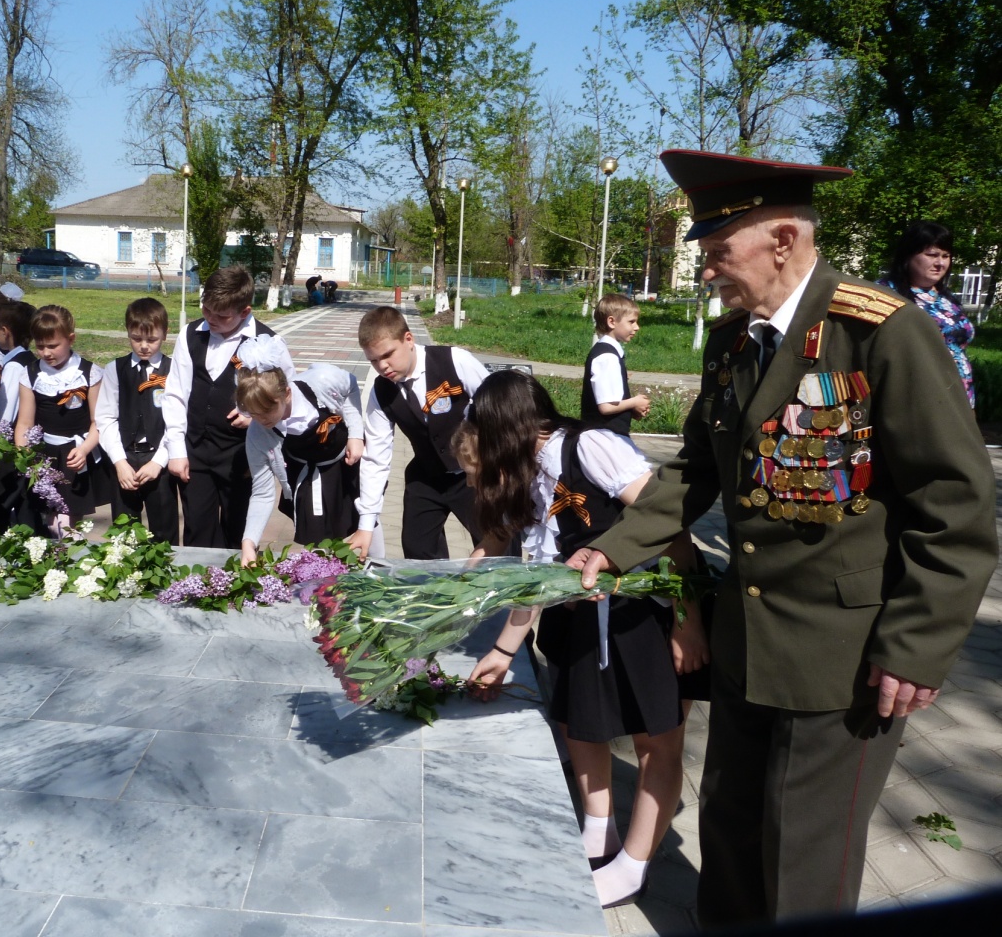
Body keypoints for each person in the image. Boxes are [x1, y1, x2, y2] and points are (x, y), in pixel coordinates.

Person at [569, 149, 997, 926]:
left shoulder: (881, 335)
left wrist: (916, 642)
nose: (707, 269)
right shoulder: (734, 343)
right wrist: (616, 545)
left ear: (780, 238)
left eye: (716, 249)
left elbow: (957, 504)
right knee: (729, 830)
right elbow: (697, 468)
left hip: (846, 660)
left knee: (804, 856)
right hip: (747, 640)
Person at [459, 371, 707, 910]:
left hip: (645, 612)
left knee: (654, 741)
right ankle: (600, 830)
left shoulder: (590, 446)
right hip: (579, 616)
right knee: (578, 724)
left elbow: (669, 524)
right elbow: (539, 574)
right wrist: (502, 652)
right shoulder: (529, 478)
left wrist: (689, 620)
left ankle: (635, 866)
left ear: (509, 428)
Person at [348, 305, 488, 560]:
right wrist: (366, 524)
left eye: (388, 354)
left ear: (408, 339)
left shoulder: (454, 361)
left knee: (495, 544)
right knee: (417, 549)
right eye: (373, 360)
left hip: (477, 474)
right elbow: (376, 457)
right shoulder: (381, 392)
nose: (382, 366)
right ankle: (436, 597)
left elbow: (499, 409)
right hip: (427, 476)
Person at [162, 266, 281, 548]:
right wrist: (176, 450)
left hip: (242, 455)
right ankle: (197, 587)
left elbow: (285, 399)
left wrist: (256, 416)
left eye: (221, 315)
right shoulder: (190, 335)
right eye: (206, 310)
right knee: (197, 530)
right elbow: (175, 392)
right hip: (196, 452)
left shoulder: (268, 342)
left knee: (239, 530)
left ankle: (236, 588)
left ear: (244, 311)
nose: (211, 319)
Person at [234, 333, 364, 565]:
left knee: (363, 538)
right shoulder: (258, 433)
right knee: (318, 557)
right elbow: (263, 492)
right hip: (306, 479)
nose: (261, 420)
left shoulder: (322, 381)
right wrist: (248, 542)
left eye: (266, 411)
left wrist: (356, 434)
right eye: (253, 413)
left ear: (286, 394)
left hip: (346, 468)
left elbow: (351, 386)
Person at [15, 304, 106, 537]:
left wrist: (85, 449)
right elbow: (25, 423)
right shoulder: (32, 374)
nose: (46, 352)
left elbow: (98, 422)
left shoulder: (88, 373)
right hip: (45, 455)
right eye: (40, 345)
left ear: (71, 339)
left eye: (53, 345)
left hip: (76, 455)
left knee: (69, 520)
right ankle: (57, 563)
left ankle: (70, 564)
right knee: (50, 521)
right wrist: (25, 456)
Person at [95, 297, 180, 544]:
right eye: (136, 338)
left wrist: (158, 462)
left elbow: (176, 421)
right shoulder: (115, 369)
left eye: (151, 339)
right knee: (124, 534)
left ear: (165, 333)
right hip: (125, 459)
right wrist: (120, 462)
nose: (144, 346)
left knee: (164, 534)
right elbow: (106, 418)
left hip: (159, 460)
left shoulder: (173, 370)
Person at [878, 220, 976, 408]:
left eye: (946, 256)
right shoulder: (885, 295)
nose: (940, 263)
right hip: (917, 400)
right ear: (908, 256)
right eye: (932, 255)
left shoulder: (947, 298)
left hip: (960, 398)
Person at [0, 298, 37, 534]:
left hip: (9, 446)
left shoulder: (15, 366)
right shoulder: (23, 359)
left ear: (5, 331)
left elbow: (6, 410)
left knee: (2, 502)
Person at [582, 293, 651, 434]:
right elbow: (606, 407)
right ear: (612, 322)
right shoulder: (607, 357)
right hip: (605, 437)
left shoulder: (609, 353)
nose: (637, 327)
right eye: (631, 322)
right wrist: (634, 402)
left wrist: (631, 409)